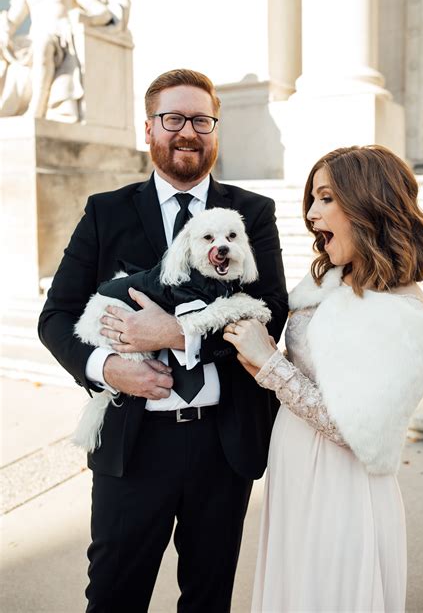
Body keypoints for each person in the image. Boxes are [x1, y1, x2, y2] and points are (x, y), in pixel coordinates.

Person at [37, 68, 288, 613]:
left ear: (215, 129)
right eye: (172, 118)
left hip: (223, 446)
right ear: (148, 128)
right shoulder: (106, 211)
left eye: (201, 119)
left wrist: (178, 334)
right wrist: (107, 367)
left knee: (208, 598)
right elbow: (55, 316)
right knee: (113, 596)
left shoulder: (253, 213)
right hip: (133, 444)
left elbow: (274, 310)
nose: (188, 131)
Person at [223, 145, 423, 613]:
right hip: (294, 471)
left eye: (325, 198)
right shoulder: (326, 280)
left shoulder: (406, 314)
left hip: (343, 488)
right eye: (311, 199)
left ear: (367, 202)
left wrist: (272, 366)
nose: (310, 213)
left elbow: (358, 430)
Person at [0, 0, 119, 120]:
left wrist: (83, 18)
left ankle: (36, 110)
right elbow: (12, 20)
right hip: (31, 42)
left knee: (43, 44)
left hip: (60, 41)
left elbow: (102, 13)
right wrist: (4, 31)